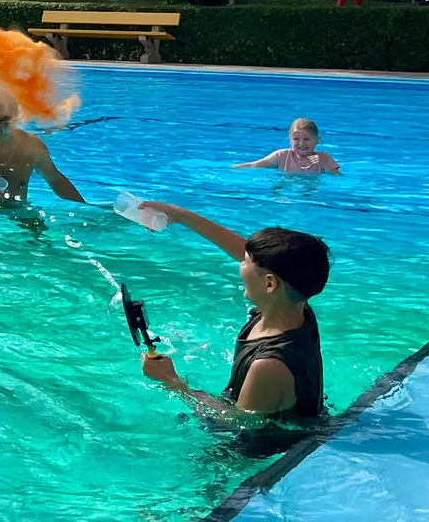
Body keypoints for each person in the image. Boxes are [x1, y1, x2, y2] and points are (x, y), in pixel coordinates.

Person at [135, 201, 330, 423]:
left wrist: (171, 381)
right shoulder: (293, 304)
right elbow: (250, 254)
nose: (240, 265)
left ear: (270, 284)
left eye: (245, 263)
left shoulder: (269, 365)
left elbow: (238, 423)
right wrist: (182, 216)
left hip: (258, 451)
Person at [235, 119, 340, 175]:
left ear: (316, 140)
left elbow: (337, 177)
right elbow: (253, 165)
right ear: (290, 139)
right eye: (296, 139)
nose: (301, 144)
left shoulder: (324, 158)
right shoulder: (282, 156)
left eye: (306, 139)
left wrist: (324, 165)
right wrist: (230, 168)